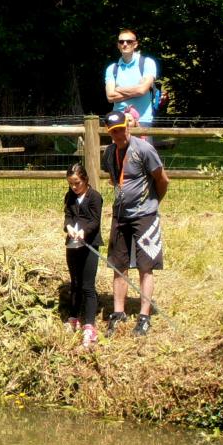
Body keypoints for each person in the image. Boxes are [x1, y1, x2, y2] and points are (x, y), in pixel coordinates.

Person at [101, 111, 168, 337]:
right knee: (118, 265)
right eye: (113, 132)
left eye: (121, 129)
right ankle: (118, 313)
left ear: (128, 126)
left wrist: (152, 203)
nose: (118, 134)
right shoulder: (109, 153)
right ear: (109, 133)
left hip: (144, 216)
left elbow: (162, 179)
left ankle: (144, 315)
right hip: (120, 216)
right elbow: (113, 178)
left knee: (145, 265)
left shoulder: (144, 149)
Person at [63, 163, 104, 350]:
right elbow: (68, 217)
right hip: (72, 245)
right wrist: (69, 227)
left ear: (85, 180)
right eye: (71, 183)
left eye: (77, 183)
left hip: (89, 245)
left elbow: (95, 221)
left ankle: (89, 325)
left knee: (87, 286)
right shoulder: (70, 196)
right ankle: (73, 317)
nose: (74, 187)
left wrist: (84, 232)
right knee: (75, 283)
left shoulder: (95, 197)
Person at [105, 28, 158, 126]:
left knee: (142, 142)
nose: (125, 44)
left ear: (135, 44)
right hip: (118, 121)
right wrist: (137, 90)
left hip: (143, 120)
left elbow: (142, 90)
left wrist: (118, 89)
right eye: (121, 42)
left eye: (129, 41)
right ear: (118, 45)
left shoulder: (147, 63)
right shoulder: (112, 69)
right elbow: (110, 96)